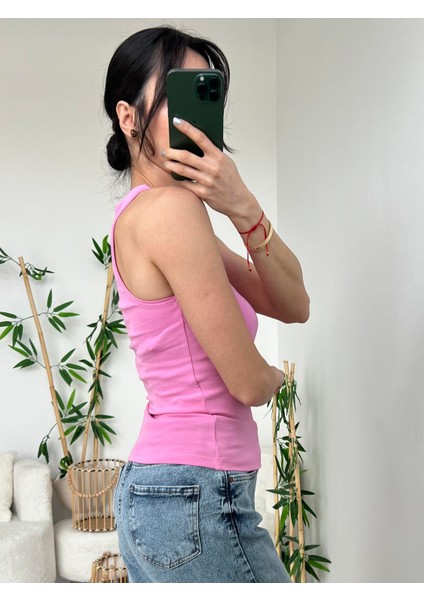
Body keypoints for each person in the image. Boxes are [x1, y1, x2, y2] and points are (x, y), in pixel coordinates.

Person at [104, 25, 310, 583]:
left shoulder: (149, 212)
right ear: (128, 117)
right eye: (178, 91)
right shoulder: (171, 213)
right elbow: (247, 383)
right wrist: (274, 378)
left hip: (166, 492)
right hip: (194, 492)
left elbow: (293, 302)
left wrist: (241, 205)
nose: (194, 113)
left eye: (205, 91)